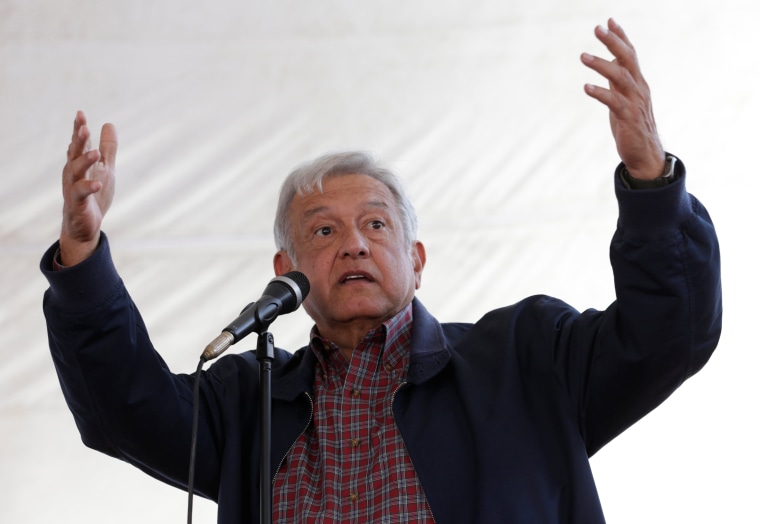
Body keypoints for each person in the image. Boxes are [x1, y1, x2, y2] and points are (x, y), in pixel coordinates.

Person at [41, 19, 722, 523]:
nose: (355, 246)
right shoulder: (248, 400)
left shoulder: (528, 360)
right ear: (288, 269)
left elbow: (669, 334)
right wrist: (82, 254)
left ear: (417, 261)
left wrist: (649, 178)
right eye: (324, 231)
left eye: (375, 225)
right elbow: (121, 409)